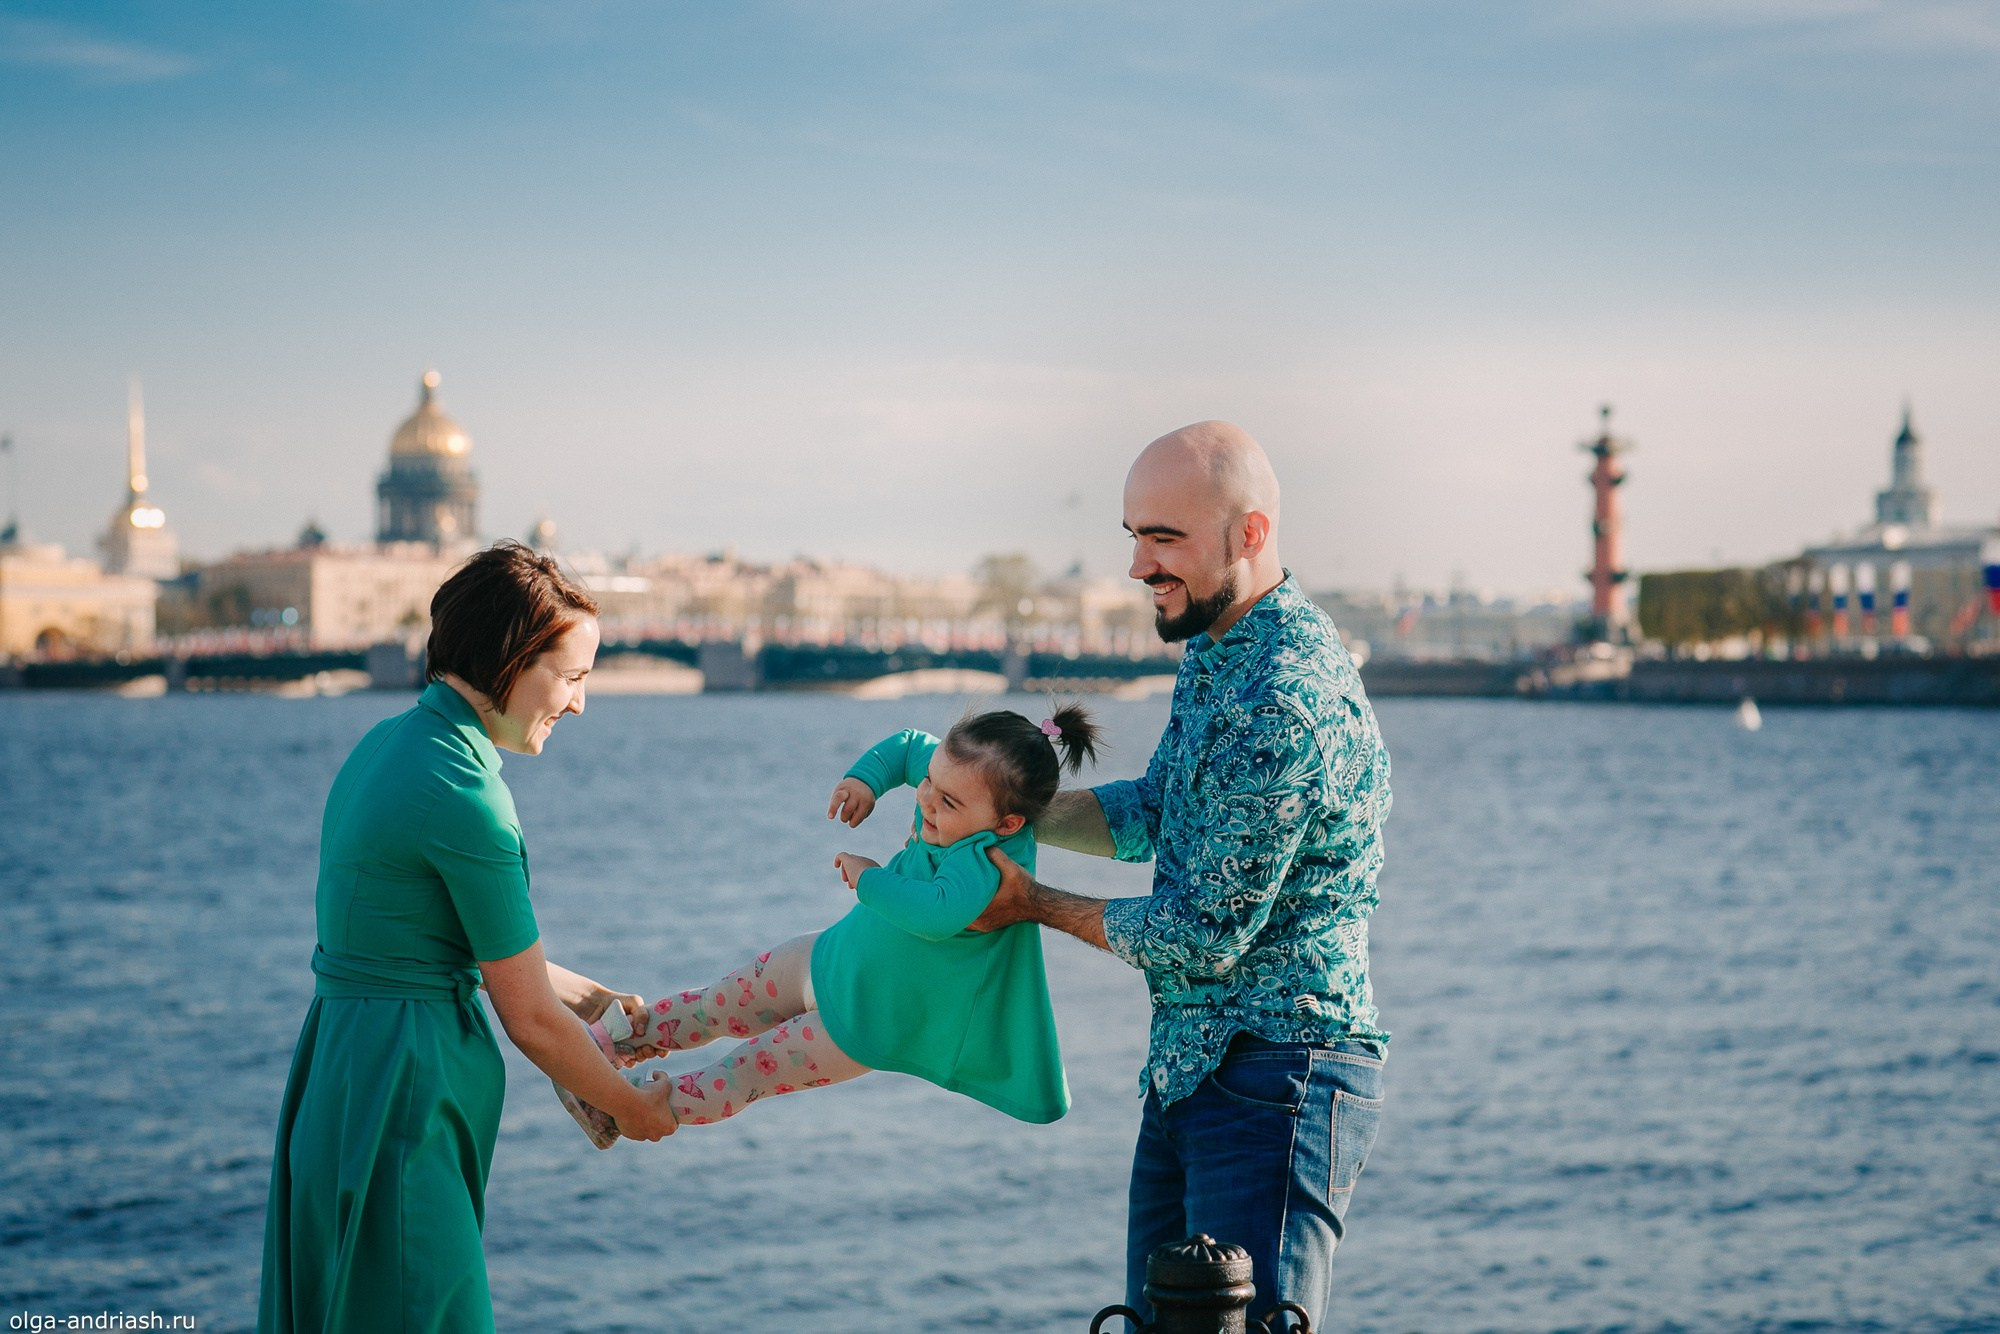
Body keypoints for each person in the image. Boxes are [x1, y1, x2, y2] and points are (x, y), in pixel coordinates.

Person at [970, 422, 1392, 1329]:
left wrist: (1029, 904)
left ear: (1250, 532)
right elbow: (1161, 809)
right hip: (1195, 1073)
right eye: (1133, 537)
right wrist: (1006, 805)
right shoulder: (1218, 643)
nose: (1139, 568)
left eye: (1165, 539)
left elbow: (1203, 936)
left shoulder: (1284, 695)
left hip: (1278, 1081)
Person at [258, 541, 677, 1334]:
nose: (581, 705)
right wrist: (631, 1106)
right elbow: (528, 1018)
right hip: (405, 1090)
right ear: (513, 660)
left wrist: (589, 997)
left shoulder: (388, 745)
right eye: (574, 677)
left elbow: (433, 943)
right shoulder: (467, 795)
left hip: (343, 1069)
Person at [554, 705, 1099, 1143]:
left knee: (745, 1074)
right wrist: (866, 778)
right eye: (930, 785)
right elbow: (911, 745)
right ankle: (604, 1045)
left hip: (859, 1026)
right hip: (828, 958)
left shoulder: (987, 863)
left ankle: (628, 1106)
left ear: (1006, 823)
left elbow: (936, 914)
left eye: (948, 802)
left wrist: (869, 878)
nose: (928, 802)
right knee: (715, 1002)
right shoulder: (959, 781)